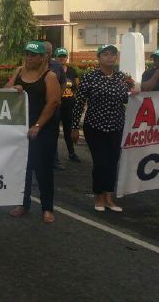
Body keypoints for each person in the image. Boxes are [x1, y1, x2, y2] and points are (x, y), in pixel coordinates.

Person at [71, 44, 137, 213]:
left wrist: (134, 90)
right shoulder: (90, 77)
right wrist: (74, 127)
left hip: (116, 126)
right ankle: (99, 197)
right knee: (100, 163)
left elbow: (126, 99)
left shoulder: (122, 77)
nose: (110, 57)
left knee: (113, 162)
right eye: (105, 54)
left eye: (113, 54)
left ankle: (109, 197)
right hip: (95, 127)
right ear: (98, 57)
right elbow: (79, 102)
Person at [6, 41, 61, 223]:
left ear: (43, 57)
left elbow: (53, 102)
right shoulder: (19, 72)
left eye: (34, 55)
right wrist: (15, 89)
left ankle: (47, 208)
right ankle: (23, 203)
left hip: (43, 129)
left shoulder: (49, 75)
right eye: (27, 54)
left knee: (43, 169)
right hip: (21, 127)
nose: (29, 58)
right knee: (23, 168)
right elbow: (4, 92)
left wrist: (37, 126)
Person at [43, 41, 67, 171]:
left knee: (53, 133)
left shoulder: (57, 66)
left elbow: (63, 83)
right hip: (38, 106)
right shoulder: (35, 64)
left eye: (49, 52)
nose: (47, 54)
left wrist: (58, 96)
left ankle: (54, 161)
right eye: (45, 52)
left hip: (53, 106)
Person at [54, 47, 81, 162]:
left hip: (69, 105)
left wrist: (79, 102)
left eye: (63, 56)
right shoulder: (52, 70)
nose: (62, 59)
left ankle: (71, 153)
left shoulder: (72, 71)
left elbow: (78, 87)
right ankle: (54, 158)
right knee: (54, 132)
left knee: (68, 131)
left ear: (66, 58)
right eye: (59, 56)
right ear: (55, 58)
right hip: (56, 105)